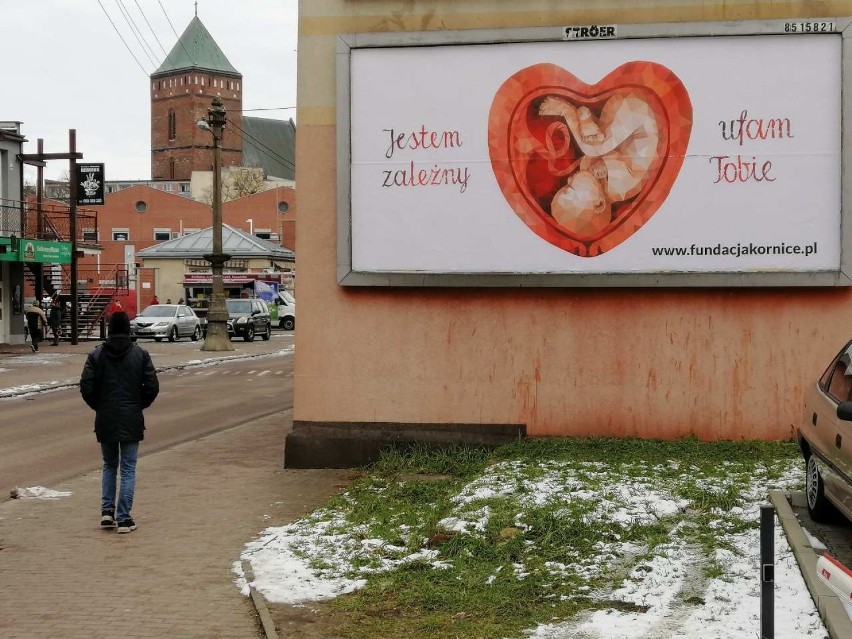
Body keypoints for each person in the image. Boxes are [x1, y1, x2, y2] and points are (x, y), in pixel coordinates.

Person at [79, 311, 160, 534]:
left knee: (109, 465)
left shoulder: (96, 355)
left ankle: (107, 511)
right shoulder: (140, 355)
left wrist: (99, 405)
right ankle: (124, 519)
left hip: (105, 417)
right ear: (128, 329)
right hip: (131, 417)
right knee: (128, 468)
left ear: (110, 330)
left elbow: (86, 387)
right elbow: (152, 386)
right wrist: (137, 404)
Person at [538, 92, 661, 235]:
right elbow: (634, 171)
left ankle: (586, 124)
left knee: (593, 146)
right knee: (591, 149)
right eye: (570, 187)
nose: (569, 178)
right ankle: (566, 111)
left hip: (618, 115)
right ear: (599, 203)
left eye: (566, 183)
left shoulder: (591, 173)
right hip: (641, 117)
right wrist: (607, 166)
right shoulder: (622, 188)